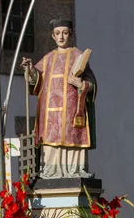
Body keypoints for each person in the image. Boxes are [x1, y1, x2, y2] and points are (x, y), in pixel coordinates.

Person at [21, 18, 96, 179]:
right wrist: (30, 70)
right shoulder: (48, 58)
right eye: (57, 33)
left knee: (72, 139)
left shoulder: (78, 56)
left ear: (70, 34)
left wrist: (81, 83)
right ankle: (51, 170)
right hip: (51, 114)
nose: (61, 37)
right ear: (53, 36)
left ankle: (73, 170)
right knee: (51, 138)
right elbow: (37, 80)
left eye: (64, 33)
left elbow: (92, 83)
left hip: (71, 112)